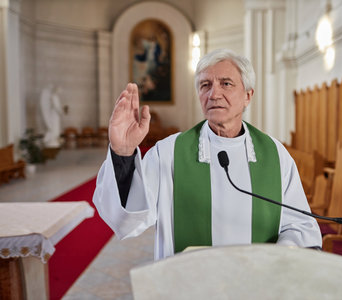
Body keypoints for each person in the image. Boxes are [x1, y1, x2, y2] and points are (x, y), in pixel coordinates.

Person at [93, 49, 322, 260]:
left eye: (226, 83)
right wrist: (122, 151)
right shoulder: (169, 153)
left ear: (248, 96)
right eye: (205, 85)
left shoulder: (275, 156)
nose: (214, 94)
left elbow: (300, 227)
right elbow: (128, 219)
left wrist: (270, 262)